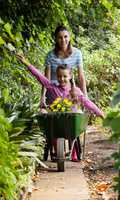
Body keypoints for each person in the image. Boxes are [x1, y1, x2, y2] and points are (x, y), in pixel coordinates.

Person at [17, 54, 104, 161]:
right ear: (56, 77)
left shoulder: (75, 91)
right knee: (53, 130)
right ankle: (57, 151)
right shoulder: (52, 87)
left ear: (70, 76)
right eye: (59, 76)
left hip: (71, 120)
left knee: (73, 126)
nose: (62, 79)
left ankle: (73, 152)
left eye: (64, 76)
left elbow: (87, 103)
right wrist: (26, 63)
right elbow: (39, 77)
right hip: (57, 120)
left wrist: (100, 113)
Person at [40, 24, 88, 161]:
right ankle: (57, 150)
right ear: (56, 39)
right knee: (54, 121)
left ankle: (73, 150)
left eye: (66, 37)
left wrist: (85, 96)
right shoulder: (50, 55)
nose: (63, 40)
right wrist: (42, 98)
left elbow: (81, 77)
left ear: (69, 37)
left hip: (69, 92)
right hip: (53, 92)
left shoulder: (77, 53)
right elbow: (46, 79)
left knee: (73, 118)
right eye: (60, 37)